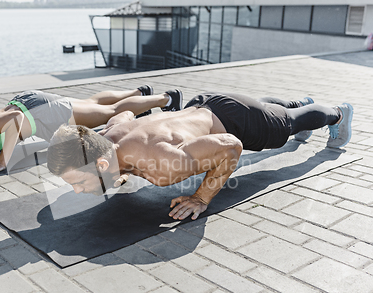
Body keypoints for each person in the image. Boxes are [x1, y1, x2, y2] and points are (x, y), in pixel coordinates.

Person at [46, 91, 354, 221]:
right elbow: (125, 112)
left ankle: (338, 114)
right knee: (268, 111)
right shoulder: (109, 134)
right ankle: (296, 104)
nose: (76, 190)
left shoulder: (164, 165)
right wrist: (118, 169)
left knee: (287, 126)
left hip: (236, 123)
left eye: (78, 181)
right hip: (207, 103)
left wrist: (203, 197)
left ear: (101, 162)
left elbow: (231, 146)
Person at [0, 86, 184, 176]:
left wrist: (1, 161)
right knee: (93, 103)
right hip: (30, 102)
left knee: (108, 114)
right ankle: (139, 91)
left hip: (39, 115)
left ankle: (167, 99)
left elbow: (13, 120)